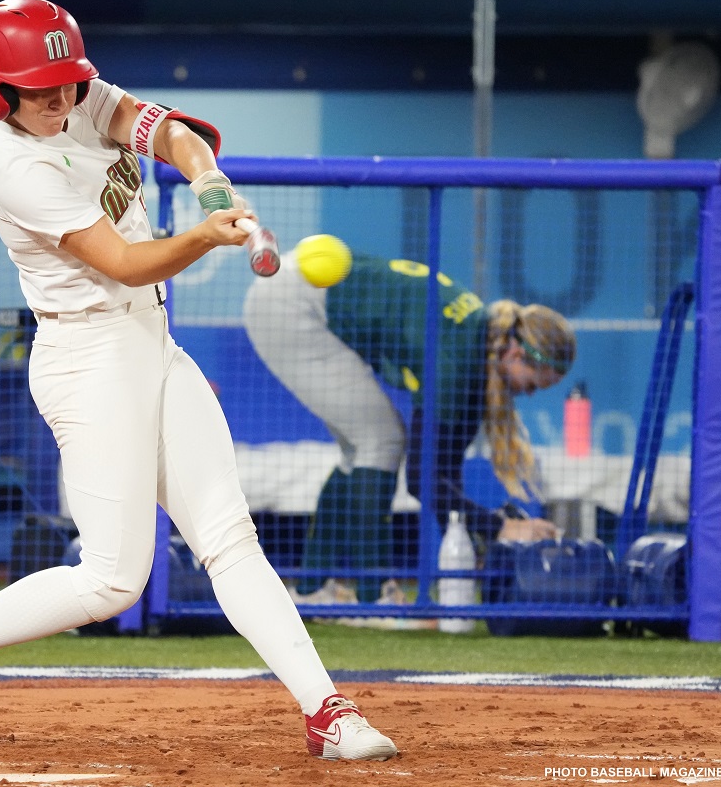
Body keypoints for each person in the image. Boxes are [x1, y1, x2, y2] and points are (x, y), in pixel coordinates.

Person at [0, 0, 397, 762]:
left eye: (65, 81)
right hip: (87, 360)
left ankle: (327, 711)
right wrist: (206, 234)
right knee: (113, 580)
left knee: (231, 539)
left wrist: (208, 179)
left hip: (150, 340)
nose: (59, 97)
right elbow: (122, 261)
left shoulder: (79, 96)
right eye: (37, 86)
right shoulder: (16, 166)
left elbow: (167, 131)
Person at [242, 248, 574, 606]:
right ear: (516, 354)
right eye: (533, 384)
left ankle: (312, 589)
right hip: (293, 305)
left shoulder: (477, 348)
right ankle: (375, 598)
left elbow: (444, 471)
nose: (528, 395)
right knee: (380, 440)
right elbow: (422, 478)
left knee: (365, 445)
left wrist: (473, 537)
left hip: (301, 288)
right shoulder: (458, 359)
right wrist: (500, 528)